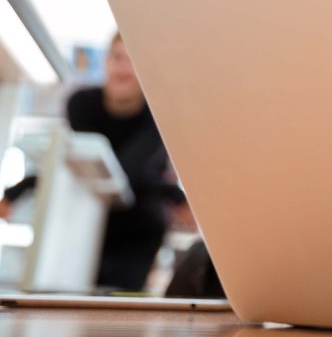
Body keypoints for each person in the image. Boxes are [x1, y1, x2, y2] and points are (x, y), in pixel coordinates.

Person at [1, 33, 194, 291]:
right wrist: (17, 191)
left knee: (117, 300)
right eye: (117, 58)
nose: (123, 68)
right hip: (84, 220)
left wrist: (177, 197)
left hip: (137, 230)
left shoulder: (157, 112)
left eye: (132, 60)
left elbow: (125, 172)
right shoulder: (81, 103)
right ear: (106, 61)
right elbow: (74, 163)